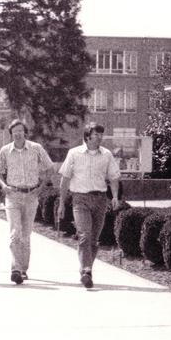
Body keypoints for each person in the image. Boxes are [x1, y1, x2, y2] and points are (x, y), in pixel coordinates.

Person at [58, 123, 121, 288]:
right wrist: (62, 204)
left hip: (100, 199)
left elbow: (114, 177)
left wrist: (114, 196)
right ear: (87, 136)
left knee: (94, 240)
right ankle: (87, 270)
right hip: (80, 199)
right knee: (84, 235)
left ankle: (85, 268)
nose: (100, 137)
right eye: (96, 134)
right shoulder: (74, 154)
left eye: (101, 134)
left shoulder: (106, 154)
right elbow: (64, 179)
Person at [0, 120, 54, 285]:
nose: (18, 133)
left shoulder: (36, 148)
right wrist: (4, 185)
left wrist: (40, 188)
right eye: (15, 131)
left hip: (31, 196)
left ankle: (24, 269)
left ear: (25, 132)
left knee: (25, 236)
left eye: (20, 131)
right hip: (13, 195)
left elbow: (50, 168)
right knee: (15, 233)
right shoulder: (5, 151)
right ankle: (16, 269)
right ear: (11, 134)